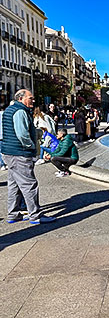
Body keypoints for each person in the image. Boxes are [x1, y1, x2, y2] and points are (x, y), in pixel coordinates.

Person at [1, 89, 55, 224]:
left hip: (10, 152)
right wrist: (31, 146)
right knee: (29, 184)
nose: (33, 101)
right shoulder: (20, 112)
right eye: (30, 98)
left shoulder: (10, 110)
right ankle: (35, 216)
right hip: (19, 153)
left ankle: (13, 214)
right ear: (21, 98)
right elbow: (22, 134)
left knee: (14, 184)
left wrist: (36, 132)